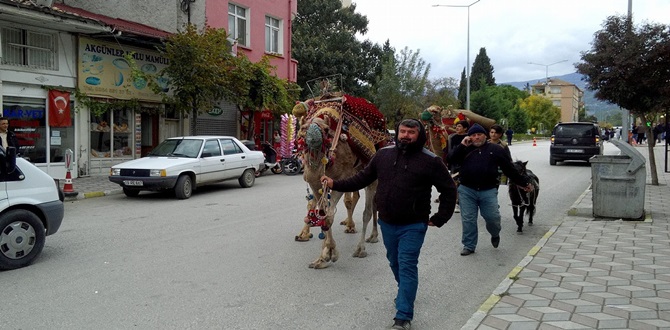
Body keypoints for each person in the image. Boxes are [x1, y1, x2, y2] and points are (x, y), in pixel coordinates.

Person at [321, 118, 457, 330]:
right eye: (402, 131)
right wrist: (334, 183)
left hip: (414, 224)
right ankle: (405, 292)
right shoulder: (383, 155)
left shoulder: (430, 161)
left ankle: (402, 317)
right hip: (387, 222)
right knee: (394, 263)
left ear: (418, 135)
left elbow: (448, 189)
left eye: (411, 132)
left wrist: (441, 217)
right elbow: (362, 179)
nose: (405, 135)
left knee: (407, 265)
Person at [447, 123, 533, 256]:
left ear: (485, 135)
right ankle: (469, 245)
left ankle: (495, 233)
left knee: (492, 217)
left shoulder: (496, 149)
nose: (476, 137)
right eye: (473, 135)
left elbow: (509, 169)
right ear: (469, 137)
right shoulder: (464, 148)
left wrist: (524, 182)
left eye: (479, 134)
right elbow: (450, 159)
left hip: (488, 190)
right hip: (467, 190)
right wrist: (462, 145)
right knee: (468, 219)